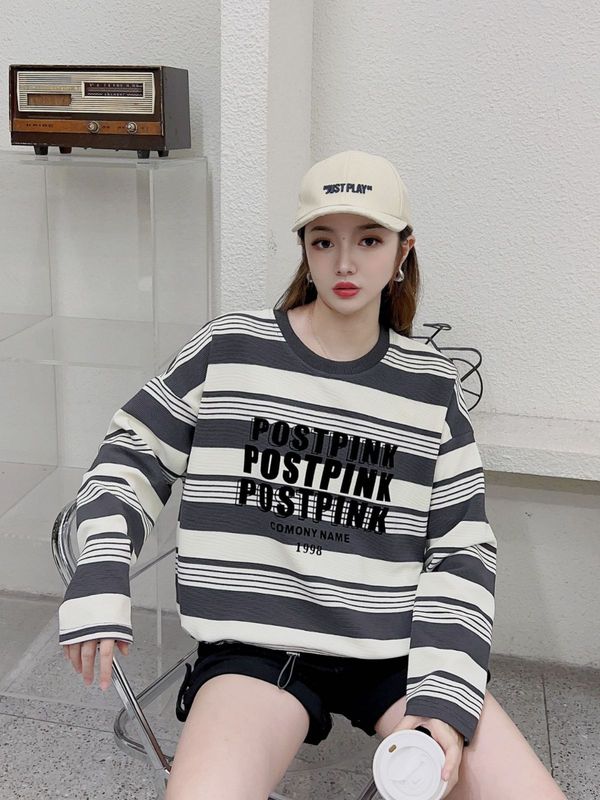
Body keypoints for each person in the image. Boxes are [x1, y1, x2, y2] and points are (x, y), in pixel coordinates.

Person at [59, 150, 566, 800]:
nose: (345, 263)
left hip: (393, 652)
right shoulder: (230, 350)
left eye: (370, 240)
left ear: (403, 250)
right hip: (256, 648)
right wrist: (100, 570)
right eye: (325, 241)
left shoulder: (430, 389)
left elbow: (461, 551)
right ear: (304, 247)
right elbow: (133, 453)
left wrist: (443, 699)